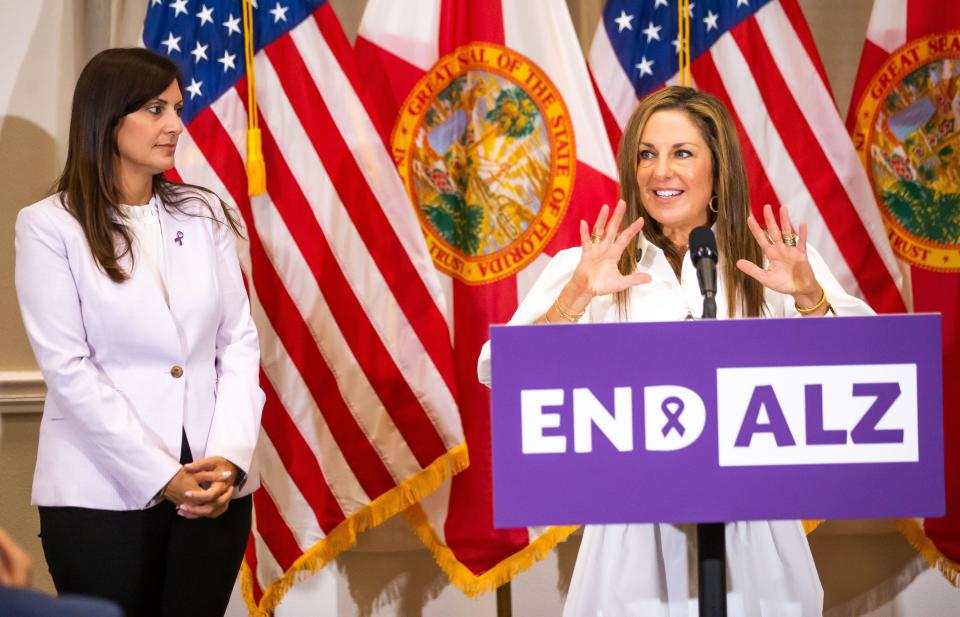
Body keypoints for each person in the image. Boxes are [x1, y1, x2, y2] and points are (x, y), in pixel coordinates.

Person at [477, 86, 874, 616]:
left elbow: (871, 371)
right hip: (628, 546)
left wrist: (808, 296)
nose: (660, 171)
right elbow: (500, 372)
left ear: (718, 168)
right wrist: (572, 301)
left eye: (682, 153)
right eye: (647, 154)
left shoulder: (773, 264)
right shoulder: (593, 266)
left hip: (753, 540)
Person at [14, 48, 264, 617]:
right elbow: (68, 368)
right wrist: (162, 477)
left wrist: (228, 458)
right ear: (106, 116)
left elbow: (238, 342)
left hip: (213, 487)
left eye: (177, 108)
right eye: (155, 109)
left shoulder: (204, 213)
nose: (175, 124)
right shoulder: (50, 226)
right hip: (100, 492)